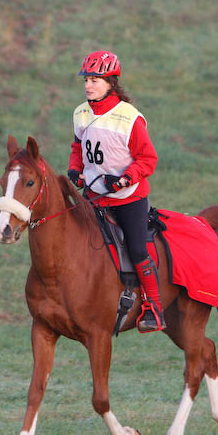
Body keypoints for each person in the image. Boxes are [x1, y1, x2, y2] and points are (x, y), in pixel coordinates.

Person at [67, 50, 164, 332]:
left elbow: (148, 159)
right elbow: (78, 147)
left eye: (95, 80)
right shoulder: (80, 113)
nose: (88, 85)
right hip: (94, 197)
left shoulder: (129, 117)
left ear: (111, 82)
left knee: (136, 247)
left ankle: (154, 309)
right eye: (86, 79)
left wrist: (123, 180)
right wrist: (75, 169)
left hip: (127, 198)